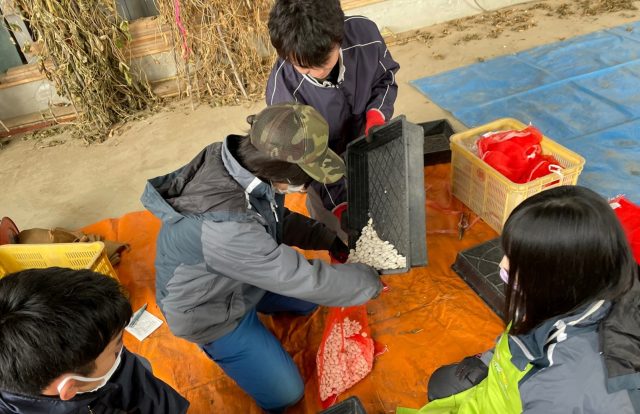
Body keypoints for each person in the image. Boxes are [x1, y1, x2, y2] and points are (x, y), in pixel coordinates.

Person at [141, 103, 383, 413]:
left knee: (311, 300)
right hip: (209, 311)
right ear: (283, 172)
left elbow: (275, 218)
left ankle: (260, 298)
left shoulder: (236, 161)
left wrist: (327, 238)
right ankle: (228, 341)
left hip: (238, 275)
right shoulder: (227, 227)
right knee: (287, 394)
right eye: (304, 178)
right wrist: (370, 278)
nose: (302, 186)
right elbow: (302, 278)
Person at [398, 186, 640, 414]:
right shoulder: (580, 287)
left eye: (516, 259)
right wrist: (489, 360)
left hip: (527, 397)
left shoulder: (569, 389)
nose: (502, 264)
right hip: (511, 380)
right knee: (441, 386)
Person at [266, 0, 400, 239]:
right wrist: (338, 205)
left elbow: (386, 78)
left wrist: (377, 114)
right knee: (338, 231)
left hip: (365, 134)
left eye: (324, 63)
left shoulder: (365, 36)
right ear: (286, 55)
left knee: (383, 204)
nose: (317, 73)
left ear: (339, 38)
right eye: (305, 69)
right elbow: (309, 160)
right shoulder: (283, 94)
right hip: (321, 157)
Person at [0, 267, 189, 413]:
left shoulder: (91, 349)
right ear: (70, 386)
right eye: (116, 349)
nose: (122, 351)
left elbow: (144, 389)